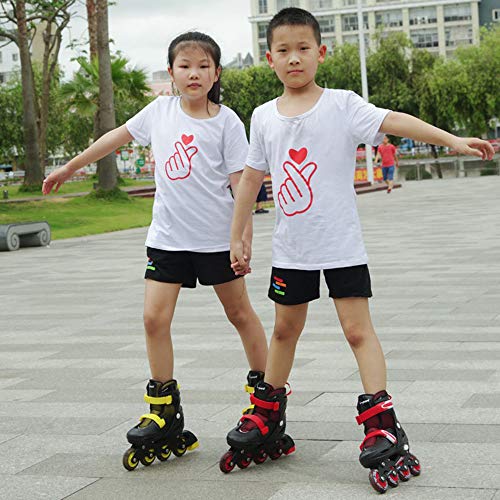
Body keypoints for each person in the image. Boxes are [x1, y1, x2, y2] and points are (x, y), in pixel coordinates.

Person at [221, 7, 494, 493]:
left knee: (356, 330)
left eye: (303, 48)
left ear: (321, 53)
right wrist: (238, 234)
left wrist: (452, 140)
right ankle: (267, 413)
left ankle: (381, 422)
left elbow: (398, 121)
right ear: (269, 59)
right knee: (285, 329)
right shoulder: (262, 116)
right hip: (292, 250)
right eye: (283, 50)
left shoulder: (343, 105)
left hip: (340, 244)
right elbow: (250, 181)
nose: (294, 58)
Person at [42, 31, 268, 471]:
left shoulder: (226, 122)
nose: (194, 73)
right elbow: (115, 138)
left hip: (214, 241)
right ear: (172, 73)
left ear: (216, 73)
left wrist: (243, 239)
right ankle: (164, 408)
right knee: (153, 319)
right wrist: (71, 167)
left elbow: (241, 185)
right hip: (166, 239)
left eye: (204, 66)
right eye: (185, 66)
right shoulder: (158, 112)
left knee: (240, 315)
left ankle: (266, 401)